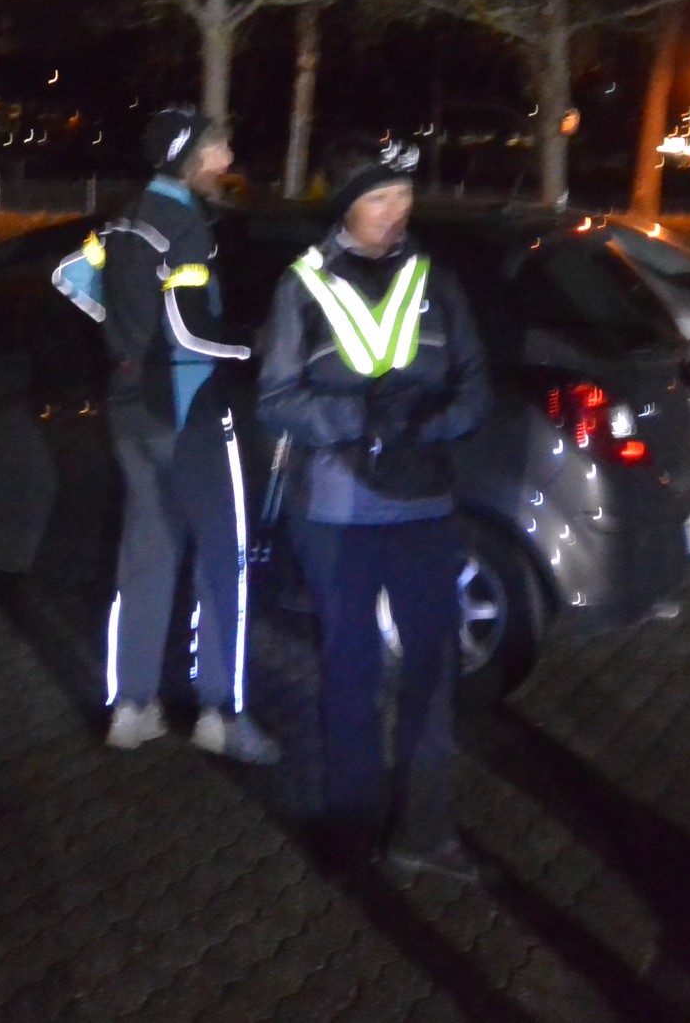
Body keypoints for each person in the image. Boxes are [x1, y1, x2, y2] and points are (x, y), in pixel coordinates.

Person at [256, 138, 489, 880]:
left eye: (404, 194)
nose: (398, 209)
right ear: (346, 207)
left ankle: (425, 830)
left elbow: (476, 385)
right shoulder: (301, 287)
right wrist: (358, 419)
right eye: (380, 197)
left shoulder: (437, 281)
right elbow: (276, 400)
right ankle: (350, 827)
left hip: (424, 504)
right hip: (337, 512)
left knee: (432, 670)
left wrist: (433, 423)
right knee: (350, 672)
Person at [98, 104, 281, 762]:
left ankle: (132, 708)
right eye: (218, 148)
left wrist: (126, 348)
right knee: (223, 562)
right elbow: (190, 327)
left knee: (145, 559)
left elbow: (76, 281)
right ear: (189, 156)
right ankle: (220, 716)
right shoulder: (185, 225)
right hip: (189, 410)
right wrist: (253, 345)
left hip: (130, 411)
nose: (226, 160)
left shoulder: (123, 217)